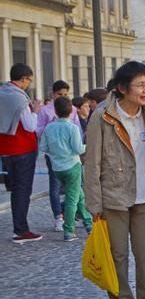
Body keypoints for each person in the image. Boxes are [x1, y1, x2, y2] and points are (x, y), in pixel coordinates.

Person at [85, 61, 145, 299]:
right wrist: (94, 204)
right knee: (118, 255)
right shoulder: (102, 116)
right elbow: (92, 161)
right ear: (122, 88)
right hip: (114, 197)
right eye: (140, 84)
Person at [38, 97, 92, 241]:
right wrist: (90, 145)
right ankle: (69, 231)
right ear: (72, 111)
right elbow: (78, 149)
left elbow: (42, 147)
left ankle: (89, 223)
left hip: (57, 168)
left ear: (55, 111)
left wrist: (55, 153)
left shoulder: (49, 127)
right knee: (72, 199)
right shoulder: (72, 128)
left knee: (78, 195)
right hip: (72, 166)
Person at [0, 63, 42, 243]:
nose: (29, 84)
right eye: (29, 80)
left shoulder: (3, 92)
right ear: (24, 78)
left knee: (15, 189)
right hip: (22, 148)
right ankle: (21, 230)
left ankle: (19, 227)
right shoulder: (19, 98)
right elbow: (29, 125)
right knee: (23, 189)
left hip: (6, 148)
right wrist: (36, 111)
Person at [36, 80, 83, 232]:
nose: (63, 96)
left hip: (72, 156)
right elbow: (37, 130)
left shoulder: (73, 109)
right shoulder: (45, 110)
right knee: (55, 186)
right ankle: (58, 217)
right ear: (53, 94)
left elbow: (77, 129)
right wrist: (53, 124)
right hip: (54, 155)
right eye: (59, 94)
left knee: (76, 188)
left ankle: (73, 215)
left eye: (65, 94)